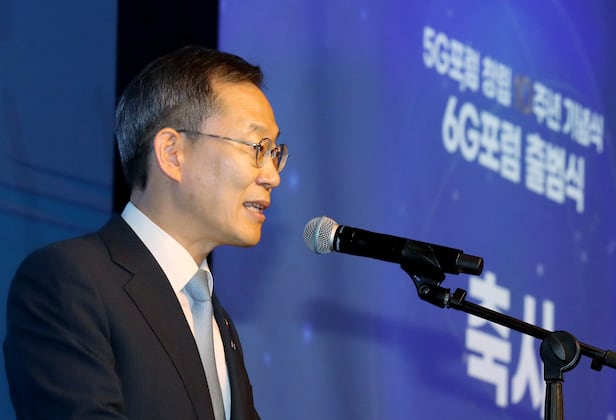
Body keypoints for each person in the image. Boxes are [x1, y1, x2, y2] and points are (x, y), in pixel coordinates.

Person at [3, 45, 287, 420]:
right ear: (172, 153)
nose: (272, 176)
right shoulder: (68, 282)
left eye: (274, 153)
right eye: (256, 147)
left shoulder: (217, 320)